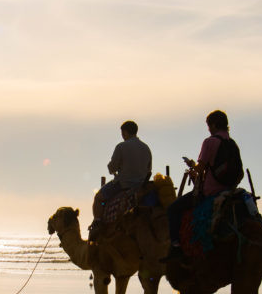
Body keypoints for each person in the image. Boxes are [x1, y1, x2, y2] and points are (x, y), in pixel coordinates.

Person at [163, 109, 235, 261]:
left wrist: (191, 164)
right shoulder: (231, 143)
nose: (208, 129)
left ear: (214, 125)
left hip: (209, 191)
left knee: (173, 209)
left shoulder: (210, 142)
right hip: (229, 190)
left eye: (209, 125)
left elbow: (200, 169)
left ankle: (176, 247)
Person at [91, 120, 152, 231]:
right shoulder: (146, 148)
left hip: (124, 184)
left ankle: (97, 224)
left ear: (124, 132)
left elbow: (112, 168)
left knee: (98, 197)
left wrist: (111, 166)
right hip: (142, 185)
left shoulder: (121, 147)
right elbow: (149, 170)